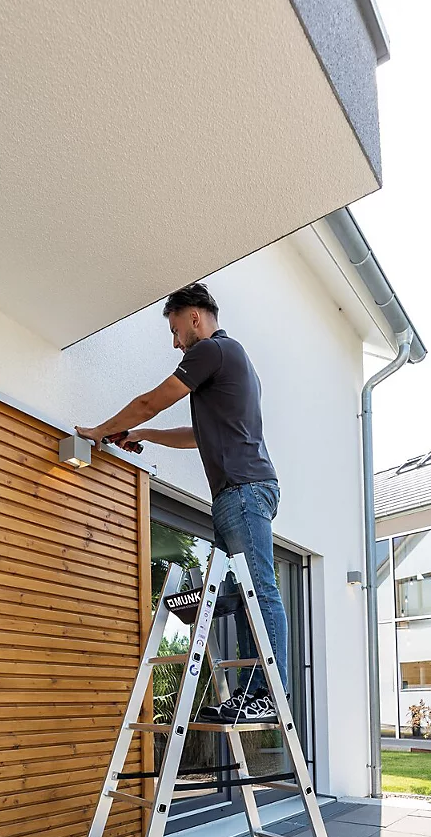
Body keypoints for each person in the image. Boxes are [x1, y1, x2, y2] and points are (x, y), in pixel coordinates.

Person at [75, 282, 288, 722]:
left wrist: (99, 430)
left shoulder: (211, 351)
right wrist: (142, 435)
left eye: (175, 331)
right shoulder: (235, 361)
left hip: (243, 491)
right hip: (245, 491)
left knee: (261, 591)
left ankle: (268, 694)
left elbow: (151, 401)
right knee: (248, 594)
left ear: (195, 317)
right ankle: (253, 695)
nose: (175, 343)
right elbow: (198, 436)